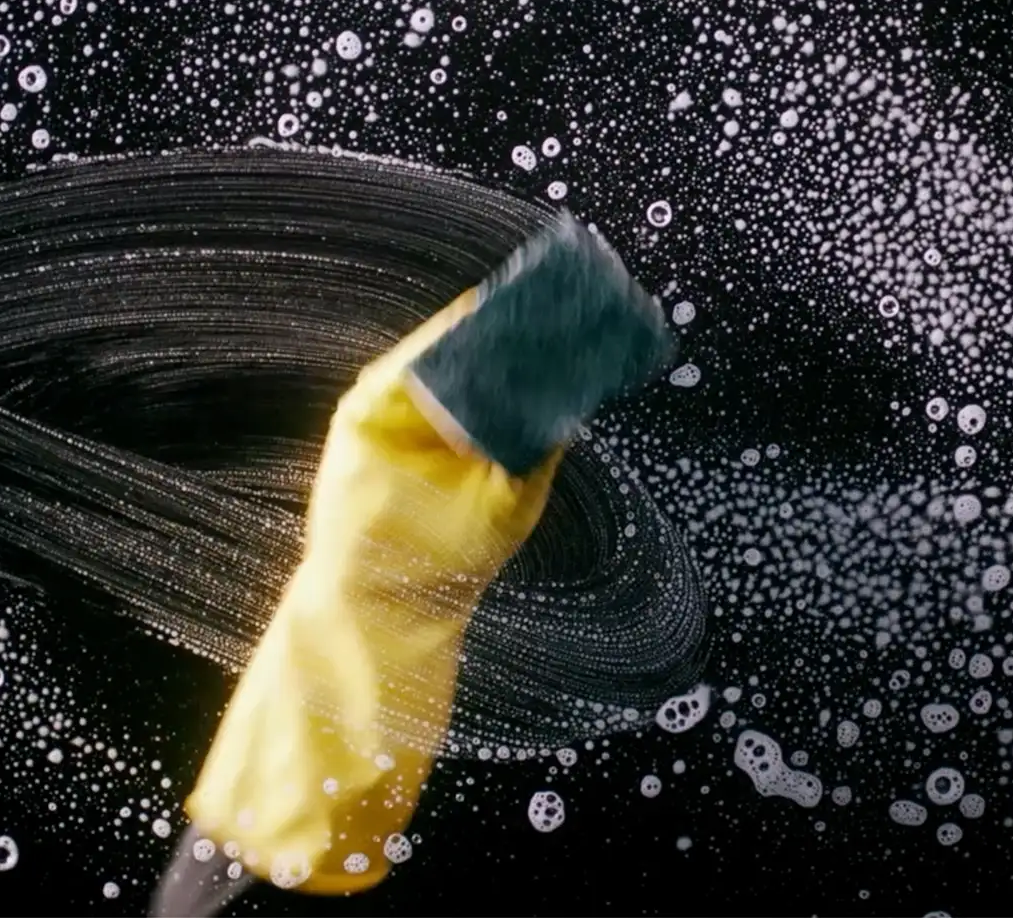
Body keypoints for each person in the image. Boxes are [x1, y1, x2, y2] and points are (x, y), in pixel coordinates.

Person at [149, 211, 673, 917]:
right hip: (360, 739)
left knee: (216, 864)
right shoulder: (416, 463)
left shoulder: (387, 446)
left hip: (336, 733)